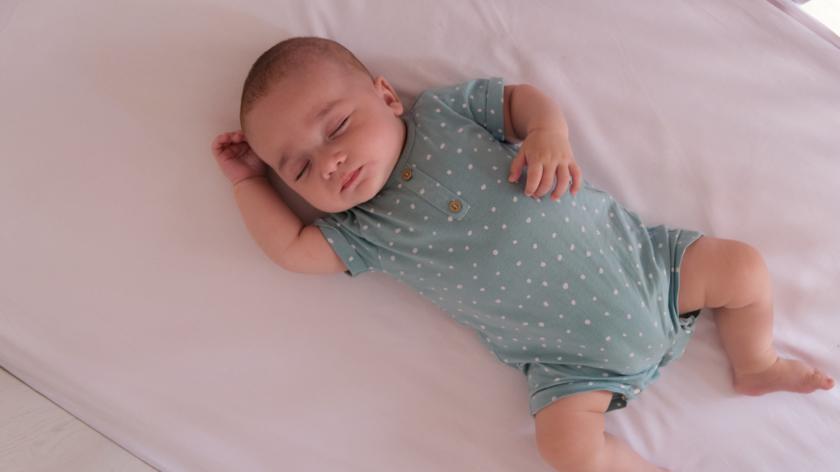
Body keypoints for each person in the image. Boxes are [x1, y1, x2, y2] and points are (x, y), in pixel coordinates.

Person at [211, 36, 834, 472]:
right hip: (571, 369)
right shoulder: (364, 231)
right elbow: (290, 248)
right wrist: (247, 181)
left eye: (337, 127)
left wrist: (548, 134)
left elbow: (522, 99)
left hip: (651, 271)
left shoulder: (445, 114)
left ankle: (755, 361)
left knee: (744, 268)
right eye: (299, 168)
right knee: (565, 451)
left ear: (386, 95)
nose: (330, 162)